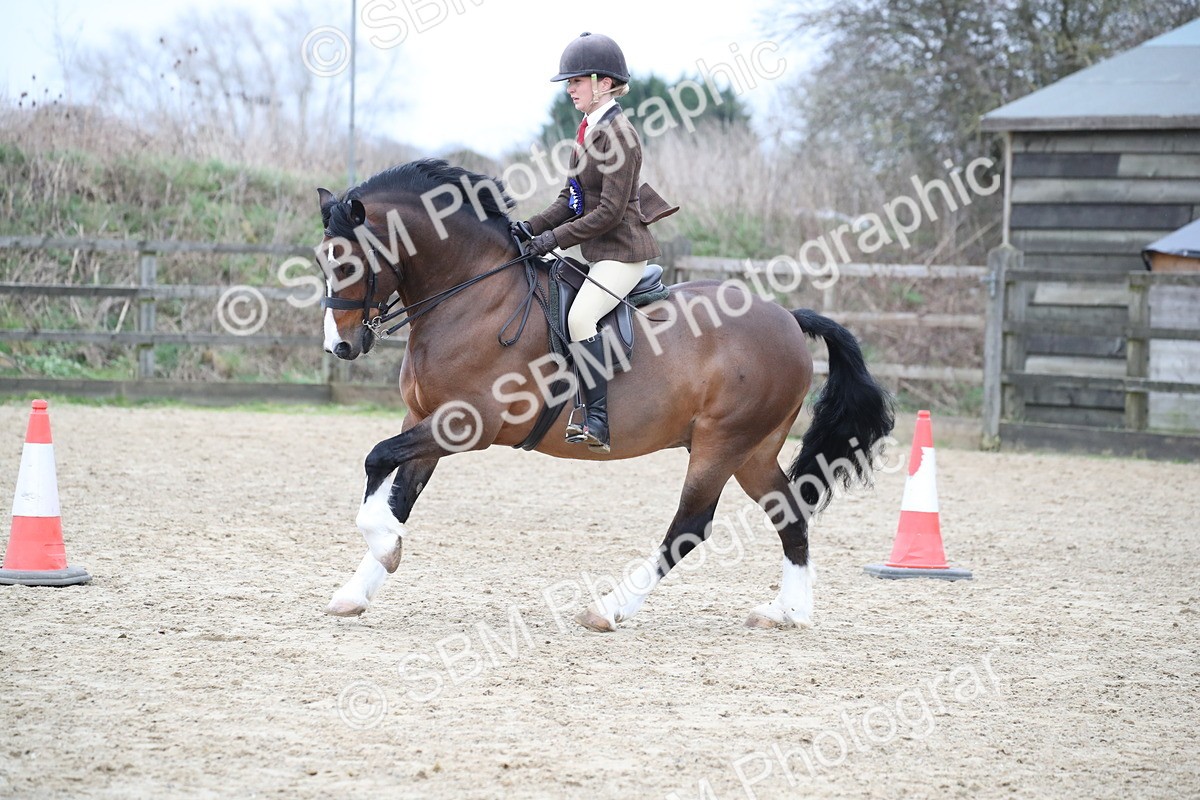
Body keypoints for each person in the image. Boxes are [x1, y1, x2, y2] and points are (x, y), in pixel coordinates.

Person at [516, 32, 677, 454]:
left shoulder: (619, 134)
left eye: (576, 82)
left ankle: (598, 421)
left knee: (581, 318)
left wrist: (551, 239)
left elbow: (607, 212)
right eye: (568, 83)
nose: (569, 89)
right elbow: (569, 201)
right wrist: (527, 229)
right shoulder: (587, 129)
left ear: (603, 83)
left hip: (621, 254)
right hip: (595, 248)